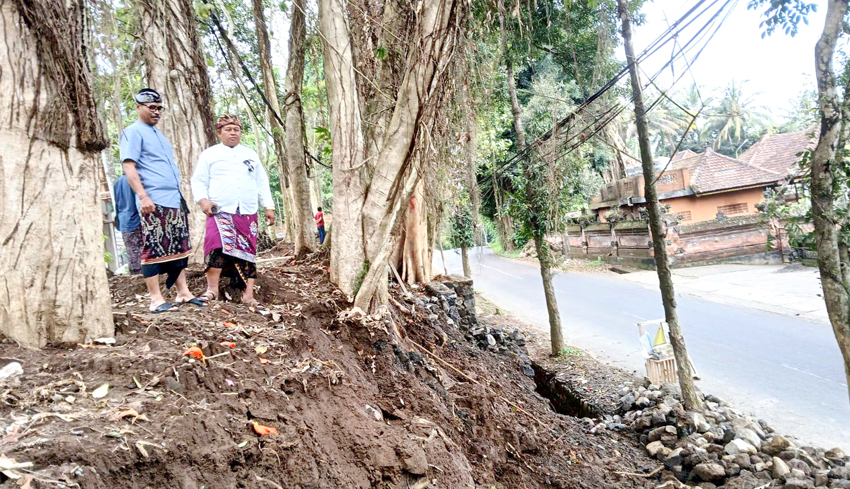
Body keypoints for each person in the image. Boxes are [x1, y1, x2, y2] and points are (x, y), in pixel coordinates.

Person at [120, 88, 203, 313]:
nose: (156, 112)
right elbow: (129, 165)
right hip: (152, 199)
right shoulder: (133, 132)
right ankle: (156, 299)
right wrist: (143, 195)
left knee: (178, 246)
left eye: (159, 108)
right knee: (154, 247)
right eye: (151, 108)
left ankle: (183, 292)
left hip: (173, 199)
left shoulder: (160, 135)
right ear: (138, 108)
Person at [191, 114, 275, 307]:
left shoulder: (250, 154)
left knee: (248, 252)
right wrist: (203, 201)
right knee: (217, 246)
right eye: (228, 129)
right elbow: (198, 180)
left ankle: (248, 295)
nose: (233, 133)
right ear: (219, 132)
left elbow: (261, 181)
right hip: (220, 210)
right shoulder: (210, 154)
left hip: (247, 211)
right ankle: (212, 290)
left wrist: (268, 206)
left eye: (236, 129)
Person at [113, 174, 142, 275]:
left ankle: (135, 274)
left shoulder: (117, 182)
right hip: (136, 218)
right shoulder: (135, 179)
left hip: (124, 219)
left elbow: (116, 203)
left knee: (131, 251)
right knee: (141, 250)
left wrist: (117, 219)